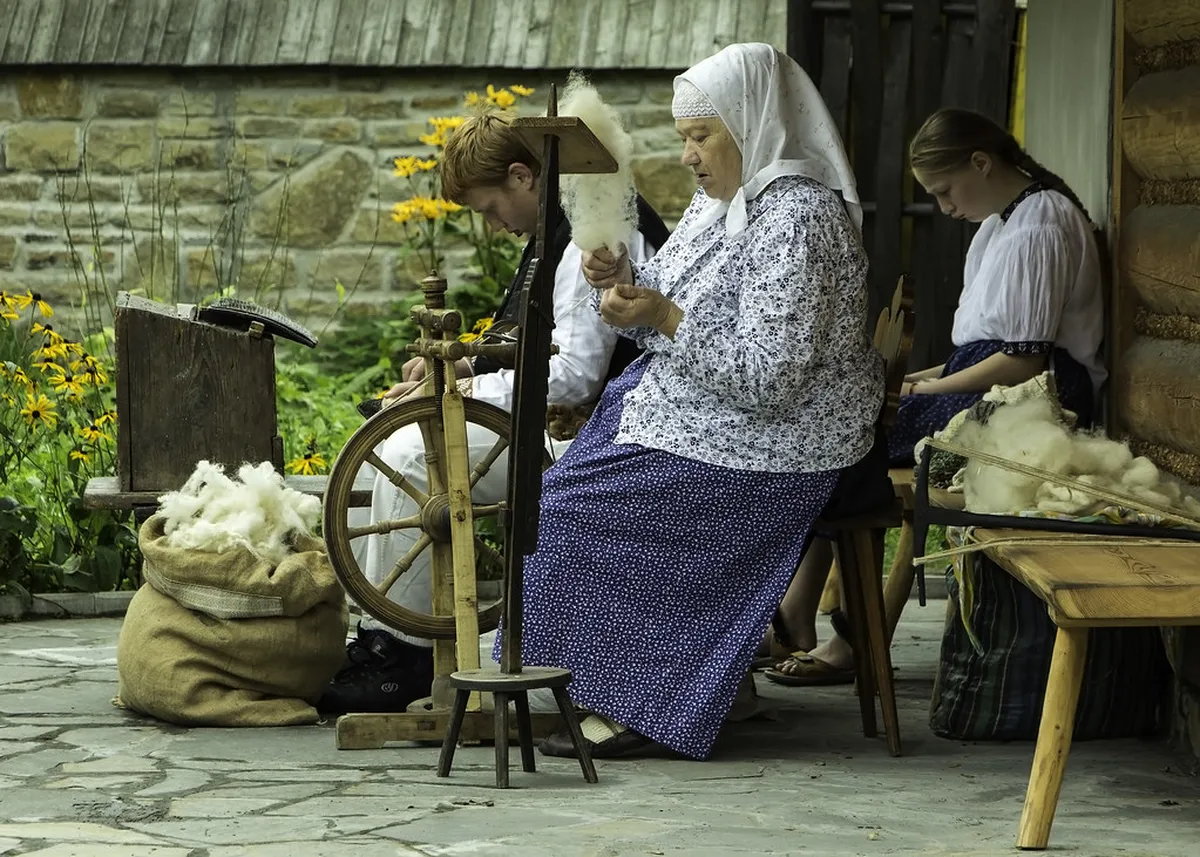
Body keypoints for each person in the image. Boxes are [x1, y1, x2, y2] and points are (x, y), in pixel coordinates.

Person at [512, 42, 884, 761]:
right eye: (684, 137)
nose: (687, 155)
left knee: (573, 510)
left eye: (700, 135)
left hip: (778, 443)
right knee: (563, 493)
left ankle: (643, 703)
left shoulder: (798, 217)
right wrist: (621, 273)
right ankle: (667, 682)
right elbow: (679, 289)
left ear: (752, 122)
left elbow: (771, 378)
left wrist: (660, 316)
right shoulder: (728, 204)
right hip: (711, 415)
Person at [319, 109, 670, 714]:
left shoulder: (594, 237)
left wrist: (456, 395)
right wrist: (460, 372)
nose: (492, 224)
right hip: (556, 423)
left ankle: (402, 656)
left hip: (589, 439)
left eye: (489, 207)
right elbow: (532, 347)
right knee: (386, 445)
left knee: (408, 452)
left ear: (522, 177)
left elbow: (574, 377)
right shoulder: (555, 229)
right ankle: (386, 641)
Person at [766, 107, 1107, 687]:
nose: (944, 207)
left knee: (844, 441)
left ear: (982, 161)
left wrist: (927, 388)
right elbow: (973, 352)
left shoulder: (1041, 223)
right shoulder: (1002, 223)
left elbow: (1024, 358)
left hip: (1038, 397)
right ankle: (808, 613)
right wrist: (913, 382)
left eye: (946, 190)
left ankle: (833, 627)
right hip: (991, 381)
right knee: (836, 432)